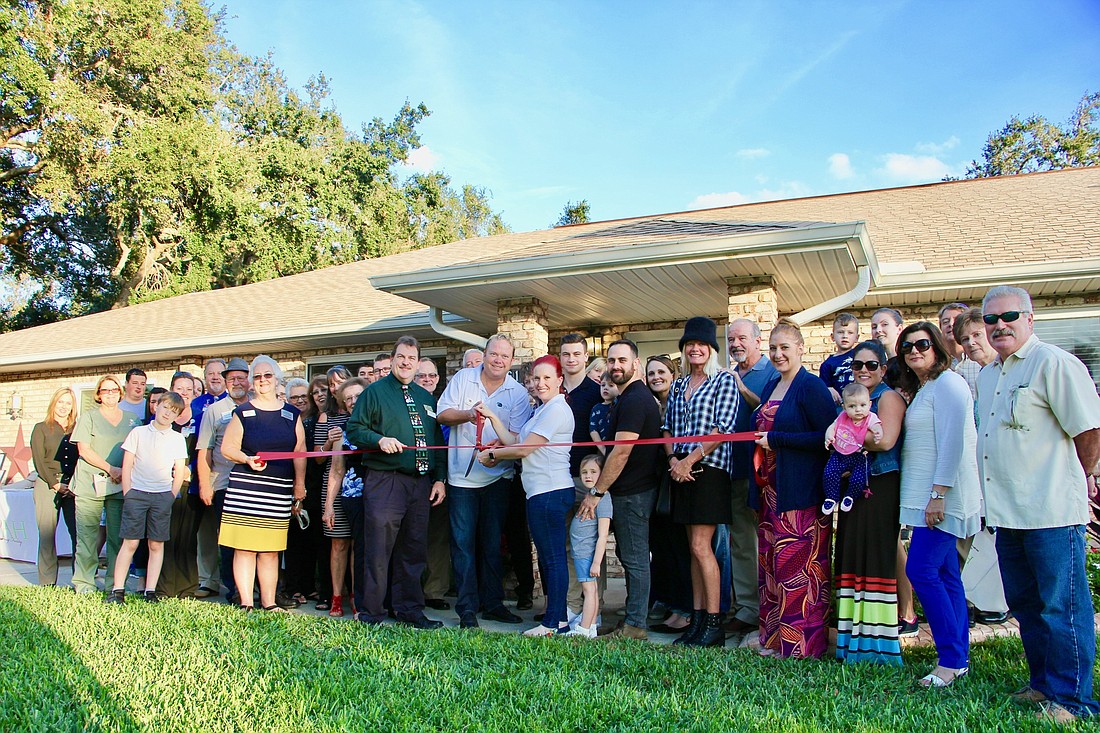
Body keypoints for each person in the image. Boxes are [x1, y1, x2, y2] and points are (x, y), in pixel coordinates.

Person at [978, 285, 1100, 723]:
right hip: (1009, 512)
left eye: (1008, 316)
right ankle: (1043, 684)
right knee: (1028, 604)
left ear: (1030, 319)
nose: (999, 325)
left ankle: (1072, 700)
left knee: (1061, 606)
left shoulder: (1054, 363)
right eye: (990, 319)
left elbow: (1088, 430)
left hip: (1050, 510)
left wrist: (1081, 478)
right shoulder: (992, 373)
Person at [895, 322, 981, 688]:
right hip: (929, 498)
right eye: (907, 346)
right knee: (946, 577)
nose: (914, 350)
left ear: (937, 348)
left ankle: (950, 659)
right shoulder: (928, 387)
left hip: (943, 499)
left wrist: (939, 494)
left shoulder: (949, 383)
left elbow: (954, 444)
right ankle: (958, 656)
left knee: (922, 571)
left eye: (922, 344)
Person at [346, 336, 446, 630]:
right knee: (378, 549)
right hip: (385, 481)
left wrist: (439, 478)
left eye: (411, 359)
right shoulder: (374, 393)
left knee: (413, 549)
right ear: (392, 360)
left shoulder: (426, 398)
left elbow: (436, 440)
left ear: (418, 363)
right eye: (401, 357)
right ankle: (372, 613)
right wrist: (379, 439)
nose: (406, 363)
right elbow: (355, 429)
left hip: (420, 484)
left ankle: (409, 610)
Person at [751, 321, 835, 659]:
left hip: (800, 494)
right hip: (771, 493)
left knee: (799, 569)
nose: (777, 354)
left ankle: (802, 646)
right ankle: (773, 640)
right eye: (773, 348)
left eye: (784, 347)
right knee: (772, 567)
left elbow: (828, 438)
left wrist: (777, 440)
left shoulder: (811, 387)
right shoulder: (772, 384)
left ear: (801, 348)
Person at [437, 335, 531, 628]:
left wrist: (496, 455)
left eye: (504, 356)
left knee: (492, 544)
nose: (498, 360)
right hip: (460, 478)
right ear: (486, 354)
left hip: (497, 477)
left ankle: (492, 604)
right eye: (493, 354)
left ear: (511, 360)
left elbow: (516, 439)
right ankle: (466, 608)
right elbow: (441, 415)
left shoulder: (517, 392)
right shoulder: (464, 377)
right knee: (463, 544)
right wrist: (468, 414)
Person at [477, 355, 574, 636]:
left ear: (559, 380)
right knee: (548, 558)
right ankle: (560, 621)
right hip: (540, 493)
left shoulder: (557, 410)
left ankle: (553, 623)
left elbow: (523, 450)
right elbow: (515, 442)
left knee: (552, 559)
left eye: (547, 378)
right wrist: (493, 417)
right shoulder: (542, 410)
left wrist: (493, 454)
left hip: (550, 492)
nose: (540, 383)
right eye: (536, 378)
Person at [661, 317, 738, 647]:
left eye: (701, 344)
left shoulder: (724, 381)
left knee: (701, 547)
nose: (695, 348)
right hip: (680, 470)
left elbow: (723, 428)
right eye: (689, 344)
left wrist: (690, 460)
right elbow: (667, 429)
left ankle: (714, 623)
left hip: (710, 470)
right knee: (692, 549)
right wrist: (673, 461)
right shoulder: (678, 386)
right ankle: (696, 619)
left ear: (711, 349)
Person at [578, 339, 662, 640]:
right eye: (611, 360)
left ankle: (635, 625)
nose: (616, 366)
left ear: (635, 364)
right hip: (629, 491)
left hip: (635, 493)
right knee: (630, 557)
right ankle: (633, 620)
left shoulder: (636, 399)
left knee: (636, 559)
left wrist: (597, 492)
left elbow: (621, 452)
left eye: (622, 360)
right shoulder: (626, 398)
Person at [832, 340, 906, 665]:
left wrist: (842, 438)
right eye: (857, 365)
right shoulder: (851, 397)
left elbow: (885, 439)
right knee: (851, 555)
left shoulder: (888, 397)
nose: (863, 370)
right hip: (853, 485)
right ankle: (851, 641)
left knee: (875, 558)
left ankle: (878, 645)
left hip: (880, 484)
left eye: (871, 365)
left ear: (883, 369)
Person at [219, 355, 307, 612]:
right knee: (244, 548)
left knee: (270, 549)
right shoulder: (243, 412)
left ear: (277, 378)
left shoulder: (291, 414)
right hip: (247, 489)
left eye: (267, 375)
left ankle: (269, 603)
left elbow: (299, 451)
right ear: (251, 381)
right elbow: (228, 448)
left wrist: (299, 486)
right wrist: (247, 459)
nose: (263, 380)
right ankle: (246, 602)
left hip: (278, 490)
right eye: (257, 376)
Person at [105, 392, 189, 604]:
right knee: (131, 542)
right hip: (137, 494)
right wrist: (128, 492)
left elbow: (179, 469)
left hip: (162, 495)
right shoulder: (139, 433)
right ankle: (118, 590)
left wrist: (171, 495)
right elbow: (127, 464)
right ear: (156, 407)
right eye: (165, 407)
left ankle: (150, 590)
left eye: (174, 411)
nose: (168, 413)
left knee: (156, 544)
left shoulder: (177, 438)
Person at [725, 318, 779, 636]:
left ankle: (772, 607)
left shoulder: (772, 373)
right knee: (742, 542)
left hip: (764, 472)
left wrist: (743, 390)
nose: (736, 344)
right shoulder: (725, 374)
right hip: (732, 469)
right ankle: (747, 609)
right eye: (731, 339)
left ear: (758, 341)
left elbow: (774, 411)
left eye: (742, 338)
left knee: (769, 540)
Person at [70, 375, 144, 594]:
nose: (109, 394)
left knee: (117, 537)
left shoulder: (132, 420)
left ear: (120, 393)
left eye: (113, 390)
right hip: (90, 481)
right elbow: (84, 449)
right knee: (87, 535)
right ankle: (84, 583)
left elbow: (137, 450)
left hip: (120, 483)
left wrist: (124, 472)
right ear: (98, 395)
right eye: (105, 391)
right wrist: (110, 468)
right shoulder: (88, 417)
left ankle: (114, 584)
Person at [196, 358, 251, 601]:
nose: (237, 383)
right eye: (232, 379)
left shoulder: (259, 405)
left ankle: (255, 586)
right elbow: (204, 450)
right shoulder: (214, 411)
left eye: (241, 378)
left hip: (255, 484)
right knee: (229, 539)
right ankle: (235, 589)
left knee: (254, 538)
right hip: (224, 484)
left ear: (248, 379)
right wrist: (205, 484)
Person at [646, 354, 693, 635]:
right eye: (651, 373)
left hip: (678, 478)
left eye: (661, 372)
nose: (656, 377)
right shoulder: (650, 404)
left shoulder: (679, 402)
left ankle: (684, 610)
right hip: (656, 484)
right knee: (661, 549)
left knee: (681, 548)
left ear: (672, 374)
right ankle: (668, 603)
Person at [560, 333, 603, 617]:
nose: (572, 359)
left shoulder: (596, 390)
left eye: (577, 354)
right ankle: (569, 606)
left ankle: (593, 610)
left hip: (587, 477)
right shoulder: (553, 389)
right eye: (566, 354)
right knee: (565, 544)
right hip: (558, 477)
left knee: (589, 545)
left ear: (585, 357)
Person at [30, 387, 79, 586]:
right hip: (47, 484)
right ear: (54, 403)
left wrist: (72, 483)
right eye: (60, 402)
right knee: (47, 533)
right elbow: (38, 460)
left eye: (68, 403)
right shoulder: (41, 428)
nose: (63, 407)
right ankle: (47, 582)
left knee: (78, 533)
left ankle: (80, 580)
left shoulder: (77, 428)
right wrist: (55, 483)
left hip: (73, 485)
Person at [317, 365, 353, 616]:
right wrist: (330, 440)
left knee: (359, 545)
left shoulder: (363, 410)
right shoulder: (325, 416)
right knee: (339, 544)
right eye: (332, 384)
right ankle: (336, 597)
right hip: (334, 483)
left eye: (341, 381)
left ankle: (357, 597)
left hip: (363, 481)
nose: (336, 386)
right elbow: (318, 458)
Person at [415, 357, 450, 610]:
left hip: (438, 478)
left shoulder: (443, 407)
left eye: (431, 375)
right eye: (421, 375)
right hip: (411, 478)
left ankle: (434, 591)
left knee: (437, 538)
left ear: (438, 379)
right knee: (412, 538)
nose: (427, 379)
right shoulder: (407, 404)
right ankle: (411, 589)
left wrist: (441, 478)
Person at [283, 375, 322, 605]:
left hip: (315, 486)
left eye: (302, 396)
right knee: (294, 540)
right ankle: (294, 586)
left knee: (312, 538)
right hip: (290, 484)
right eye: (293, 397)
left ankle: (309, 586)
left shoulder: (318, 419)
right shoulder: (285, 421)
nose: (299, 401)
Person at [193, 358, 228, 597]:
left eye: (219, 373)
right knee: (206, 533)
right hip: (205, 478)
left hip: (231, 479)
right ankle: (208, 580)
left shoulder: (238, 402)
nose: (215, 377)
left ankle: (236, 581)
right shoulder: (196, 404)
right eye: (210, 373)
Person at [567, 453, 611, 638]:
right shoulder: (589, 495)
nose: (588, 476)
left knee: (589, 590)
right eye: (584, 472)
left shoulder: (602, 499)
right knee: (590, 589)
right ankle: (590, 628)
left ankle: (583, 630)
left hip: (587, 554)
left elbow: (602, 536)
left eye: (593, 472)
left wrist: (595, 562)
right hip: (581, 553)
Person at [821, 382, 883, 514]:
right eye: (852, 406)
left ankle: (850, 497)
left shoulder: (870, 418)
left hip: (860, 454)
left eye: (862, 405)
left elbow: (876, 426)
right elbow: (832, 427)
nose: (858, 410)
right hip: (840, 453)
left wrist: (878, 433)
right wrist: (829, 436)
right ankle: (831, 498)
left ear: (870, 405)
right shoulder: (842, 417)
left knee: (858, 478)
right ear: (844, 407)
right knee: (829, 473)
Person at [820, 313, 859, 403]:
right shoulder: (827, 364)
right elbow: (823, 387)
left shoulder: (859, 355)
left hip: (861, 403)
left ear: (857, 337)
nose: (845, 336)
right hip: (840, 405)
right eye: (840, 332)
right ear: (832, 337)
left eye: (850, 333)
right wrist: (828, 389)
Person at [870, 308, 905, 390]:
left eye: (884, 324)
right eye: (874, 327)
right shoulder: (878, 365)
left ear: (899, 329)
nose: (878, 330)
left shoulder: (906, 362)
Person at [588, 373, 618, 453]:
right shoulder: (597, 408)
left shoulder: (621, 405)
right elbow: (593, 430)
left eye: (611, 385)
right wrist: (603, 450)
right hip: (602, 451)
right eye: (603, 385)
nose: (605, 388)